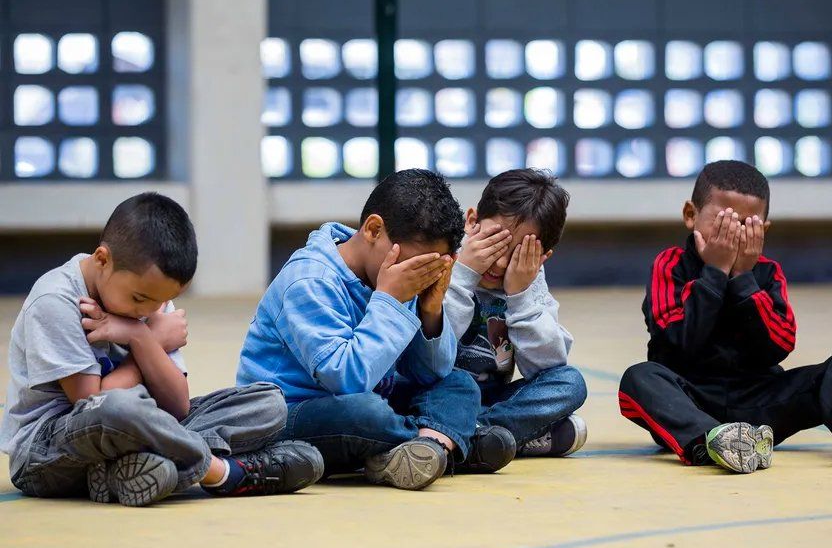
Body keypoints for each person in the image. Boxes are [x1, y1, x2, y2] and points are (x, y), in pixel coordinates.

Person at [618, 160, 832, 473]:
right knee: (639, 378)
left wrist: (743, 281)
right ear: (691, 215)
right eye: (722, 222)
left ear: (764, 228)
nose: (733, 235)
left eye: (745, 225)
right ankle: (714, 442)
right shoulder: (670, 265)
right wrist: (714, 274)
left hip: (761, 403)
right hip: (690, 402)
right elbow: (678, 342)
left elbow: (778, 346)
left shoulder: (767, 274)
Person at [1, 192, 323, 506]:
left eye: (162, 302)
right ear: (102, 259)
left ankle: (135, 471)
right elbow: (91, 401)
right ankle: (222, 472)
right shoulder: (56, 301)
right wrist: (150, 339)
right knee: (119, 408)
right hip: (47, 453)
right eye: (139, 300)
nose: (148, 310)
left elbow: (177, 405)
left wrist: (138, 336)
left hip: (136, 432)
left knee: (267, 402)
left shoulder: (151, 302)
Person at [237, 169, 515, 491]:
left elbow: (432, 373)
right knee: (366, 413)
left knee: (459, 383)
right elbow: (346, 379)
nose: (419, 276)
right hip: (293, 412)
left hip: (373, 397)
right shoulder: (309, 280)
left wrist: (430, 311)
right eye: (415, 266)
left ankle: (422, 449)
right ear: (373, 229)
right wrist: (389, 299)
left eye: (429, 268)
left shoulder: (402, 270)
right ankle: (445, 440)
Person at [444, 169, 588, 458]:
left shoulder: (528, 279)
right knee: (566, 431)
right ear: (471, 222)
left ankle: (468, 435)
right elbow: (432, 352)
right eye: (495, 243)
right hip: (439, 394)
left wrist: (520, 296)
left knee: (570, 383)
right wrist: (463, 275)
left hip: (492, 403)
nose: (499, 263)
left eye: (516, 254)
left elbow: (545, 368)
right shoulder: (445, 259)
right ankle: (498, 438)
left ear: (542, 256)